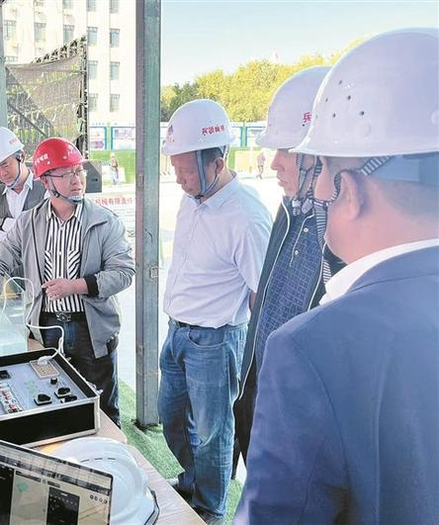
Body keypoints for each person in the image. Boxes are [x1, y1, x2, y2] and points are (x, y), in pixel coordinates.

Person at [236, 28, 439, 524]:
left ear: (350, 189)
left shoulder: (313, 349)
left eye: (324, 165)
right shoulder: (288, 219)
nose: (278, 164)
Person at [158, 99, 271, 524]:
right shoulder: (192, 198)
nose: (179, 178)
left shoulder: (246, 217)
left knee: (213, 433)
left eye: (185, 170)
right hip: (177, 332)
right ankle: (193, 482)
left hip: (215, 341)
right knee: (172, 418)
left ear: (217, 162)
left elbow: (262, 294)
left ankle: (209, 508)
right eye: (175, 168)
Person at [0, 137, 134, 425]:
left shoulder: (105, 222)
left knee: (103, 410)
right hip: (45, 328)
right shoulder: (28, 223)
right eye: (66, 173)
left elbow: (123, 272)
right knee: (50, 403)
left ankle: (110, 451)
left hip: (91, 330)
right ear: (46, 181)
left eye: (79, 171)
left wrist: (76, 286)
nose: (77, 180)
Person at [234, 66, 345, 462]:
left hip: (302, 427)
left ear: (321, 156)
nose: (275, 163)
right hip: (263, 403)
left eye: (288, 150)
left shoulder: (344, 240)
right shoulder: (289, 212)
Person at [0, 127, 46, 252]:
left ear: (22, 157)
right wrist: (22, 234)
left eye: (5, 164)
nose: (2, 173)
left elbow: (46, 235)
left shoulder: (46, 190)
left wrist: (4, 225)